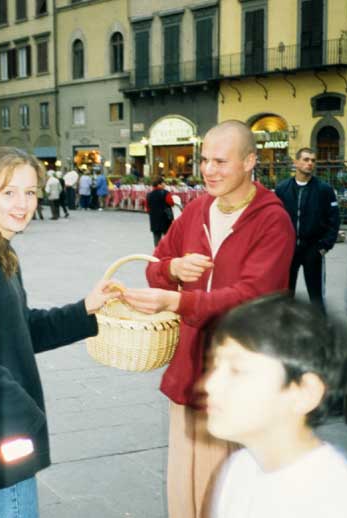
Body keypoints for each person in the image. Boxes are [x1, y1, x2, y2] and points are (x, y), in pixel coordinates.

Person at [0, 147, 118, 518]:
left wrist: (84, 309)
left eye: (30, 193)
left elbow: (19, 328)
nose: (22, 203)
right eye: (8, 192)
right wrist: (17, 409)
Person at [121, 120, 296, 518]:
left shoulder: (273, 220)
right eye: (204, 160)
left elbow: (253, 296)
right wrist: (174, 268)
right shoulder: (197, 209)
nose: (209, 170)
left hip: (242, 372)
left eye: (221, 161)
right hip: (190, 368)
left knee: (228, 483)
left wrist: (179, 302)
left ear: (250, 161)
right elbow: (155, 266)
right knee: (185, 479)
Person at [201, 295, 347, 518]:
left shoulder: (346, 508)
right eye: (215, 365)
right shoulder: (240, 467)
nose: (210, 384)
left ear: (305, 392)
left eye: (237, 370)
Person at [274, 148, 340, 312]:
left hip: (313, 248)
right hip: (289, 250)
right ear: (296, 163)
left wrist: (325, 245)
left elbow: (334, 219)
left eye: (313, 160)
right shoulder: (282, 189)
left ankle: (321, 332)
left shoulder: (324, 189)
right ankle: (284, 329)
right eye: (305, 159)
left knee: (316, 297)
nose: (310, 163)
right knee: (285, 295)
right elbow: (274, 219)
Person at [146, 177, 174, 246]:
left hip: (154, 219)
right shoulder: (166, 193)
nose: (164, 185)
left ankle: (157, 253)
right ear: (159, 185)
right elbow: (171, 203)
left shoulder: (149, 195)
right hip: (165, 219)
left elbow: (147, 208)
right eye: (163, 183)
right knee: (167, 237)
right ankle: (167, 252)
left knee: (156, 238)